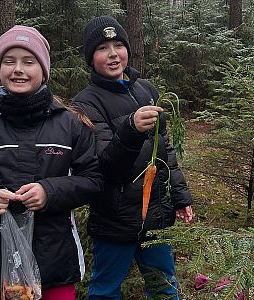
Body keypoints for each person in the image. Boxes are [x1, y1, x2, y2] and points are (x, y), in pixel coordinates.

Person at [0, 25, 102, 300]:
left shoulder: (70, 126)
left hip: (54, 256)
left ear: (43, 70)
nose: (18, 69)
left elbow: (92, 180)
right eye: (9, 61)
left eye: (28, 61)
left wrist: (49, 191)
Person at [73, 16, 194, 299]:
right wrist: (130, 129)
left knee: (164, 284)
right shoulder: (85, 103)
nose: (113, 54)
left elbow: (165, 149)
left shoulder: (146, 90)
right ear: (91, 58)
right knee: (105, 289)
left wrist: (180, 196)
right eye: (103, 48)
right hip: (114, 218)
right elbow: (104, 166)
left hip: (155, 216)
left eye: (118, 45)